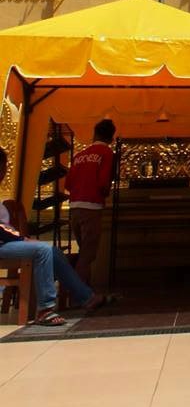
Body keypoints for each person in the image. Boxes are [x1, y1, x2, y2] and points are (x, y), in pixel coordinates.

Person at [0, 147, 105, 326]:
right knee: (42, 250)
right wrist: (21, 239)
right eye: (3, 166)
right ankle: (45, 309)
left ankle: (86, 297)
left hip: (5, 242)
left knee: (53, 251)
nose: (4, 171)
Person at [65, 117, 116, 285]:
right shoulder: (107, 154)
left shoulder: (80, 155)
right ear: (111, 138)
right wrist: (104, 193)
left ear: (94, 134)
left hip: (74, 207)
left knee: (83, 250)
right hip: (92, 207)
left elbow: (68, 184)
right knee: (87, 255)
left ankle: (81, 289)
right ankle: (82, 294)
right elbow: (103, 183)